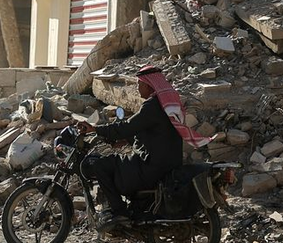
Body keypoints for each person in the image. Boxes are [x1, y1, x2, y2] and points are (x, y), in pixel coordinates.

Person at [75, 66, 204, 233]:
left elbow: (128, 126)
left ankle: (119, 212)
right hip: (168, 162)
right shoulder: (168, 105)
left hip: (151, 166)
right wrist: (126, 140)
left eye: (140, 84)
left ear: (149, 85)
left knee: (102, 165)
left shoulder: (152, 106)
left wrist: (95, 129)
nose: (137, 88)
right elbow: (155, 133)